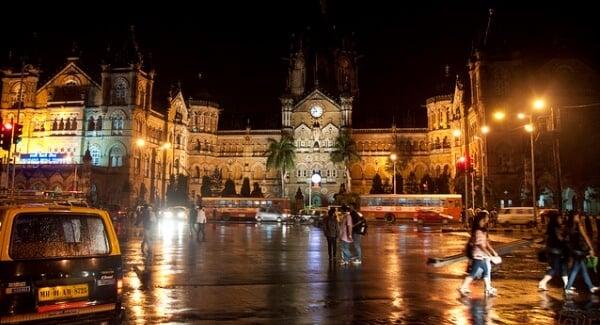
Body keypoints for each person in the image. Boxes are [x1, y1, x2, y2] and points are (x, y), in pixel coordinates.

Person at [458, 210, 500, 297]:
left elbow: (486, 243)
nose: (488, 219)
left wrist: (493, 252)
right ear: (482, 220)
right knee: (474, 273)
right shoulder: (478, 232)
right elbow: (480, 245)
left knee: (486, 271)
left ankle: (488, 288)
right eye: (487, 217)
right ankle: (463, 287)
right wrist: (490, 254)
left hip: (483, 256)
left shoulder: (483, 231)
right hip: (479, 256)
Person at [563, 210, 598, 295]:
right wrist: (591, 248)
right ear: (574, 217)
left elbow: (566, 240)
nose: (579, 218)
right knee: (575, 269)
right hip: (580, 250)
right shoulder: (578, 225)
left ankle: (591, 287)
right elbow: (585, 236)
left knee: (583, 269)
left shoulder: (568, 226)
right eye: (578, 216)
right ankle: (568, 288)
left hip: (574, 250)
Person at [538, 211, 570, 291]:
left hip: (553, 249)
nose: (561, 219)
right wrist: (566, 238)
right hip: (556, 250)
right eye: (559, 218)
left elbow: (545, 238)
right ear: (556, 219)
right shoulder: (556, 227)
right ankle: (543, 282)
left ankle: (567, 284)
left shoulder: (550, 227)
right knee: (555, 268)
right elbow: (560, 238)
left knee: (562, 267)